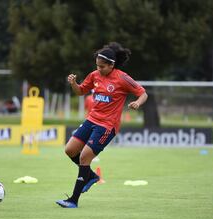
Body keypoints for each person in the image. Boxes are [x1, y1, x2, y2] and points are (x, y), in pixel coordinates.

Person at [56, 42, 148, 208]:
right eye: (97, 66)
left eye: (102, 67)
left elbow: (142, 93)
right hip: (91, 120)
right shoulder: (94, 75)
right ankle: (90, 176)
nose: (99, 69)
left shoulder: (122, 78)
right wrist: (73, 84)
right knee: (70, 150)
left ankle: (73, 200)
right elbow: (81, 91)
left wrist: (137, 103)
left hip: (107, 126)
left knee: (84, 157)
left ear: (112, 65)